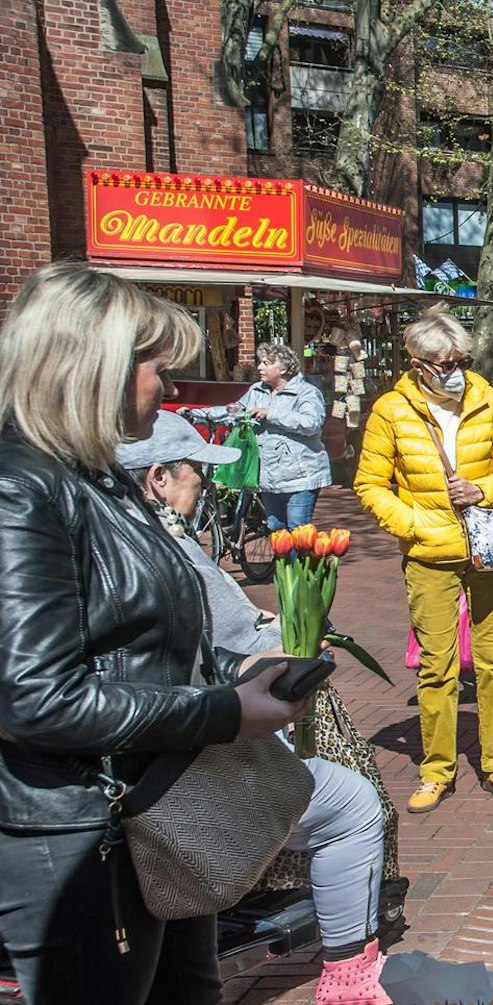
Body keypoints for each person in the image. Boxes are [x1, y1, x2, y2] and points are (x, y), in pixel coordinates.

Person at [0, 263, 308, 1005]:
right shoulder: (22, 489)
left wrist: (241, 668)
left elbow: (140, 638)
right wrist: (223, 710)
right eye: (156, 368)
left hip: (155, 810)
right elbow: (34, 697)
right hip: (81, 834)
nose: (168, 389)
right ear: (94, 367)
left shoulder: (98, 477)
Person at [119, 410, 392, 1005]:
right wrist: (269, 656)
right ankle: (349, 980)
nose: (206, 483)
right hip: (177, 760)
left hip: (152, 745)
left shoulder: (121, 535)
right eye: (196, 470)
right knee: (352, 804)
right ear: (158, 478)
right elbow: (196, 653)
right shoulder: (160, 549)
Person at [354, 308, 493, 812]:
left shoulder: (484, 398)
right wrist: (413, 525)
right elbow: (370, 484)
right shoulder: (391, 410)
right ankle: (436, 770)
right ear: (416, 363)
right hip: (430, 554)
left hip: (487, 550)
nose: (454, 371)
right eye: (444, 363)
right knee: (437, 666)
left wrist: (483, 490)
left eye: (461, 361)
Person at [184, 340, 332, 529]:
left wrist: (271, 413)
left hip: (301, 477)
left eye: (266, 363)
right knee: (275, 528)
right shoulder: (257, 390)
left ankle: (299, 550)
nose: (259, 367)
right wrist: (197, 414)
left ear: (284, 368)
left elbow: (311, 423)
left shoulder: (306, 393)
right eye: (260, 362)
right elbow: (235, 410)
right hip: (269, 475)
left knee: (298, 529)